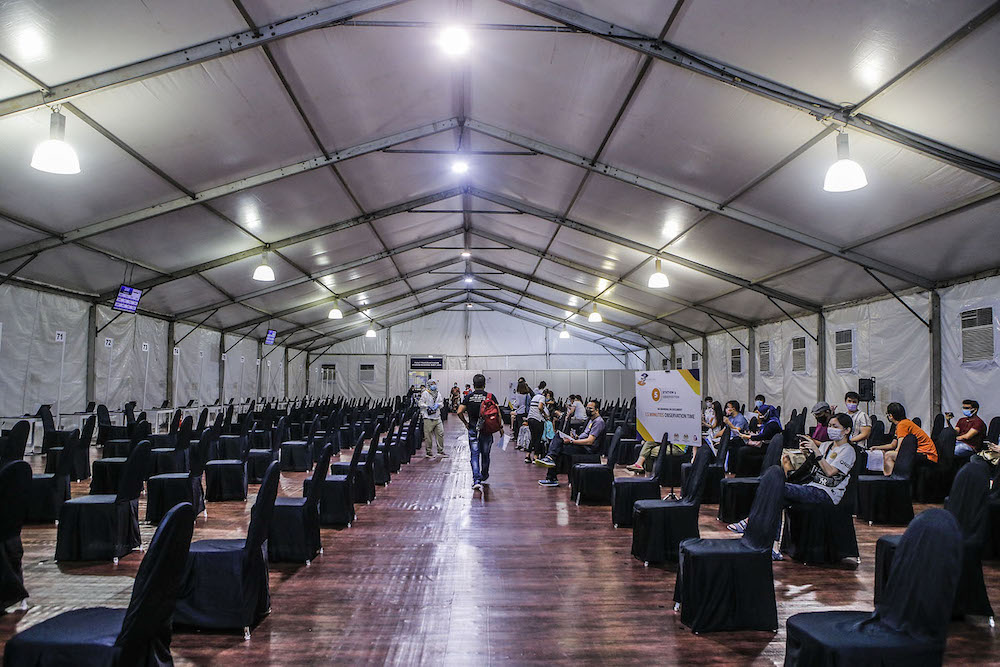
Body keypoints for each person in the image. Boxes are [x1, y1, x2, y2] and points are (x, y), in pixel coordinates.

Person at [728, 413, 857, 561]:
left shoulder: (848, 451)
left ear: (846, 430)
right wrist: (807, 453)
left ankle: (751, 522)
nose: (831, 429)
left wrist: (816, 451)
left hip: (827, 494)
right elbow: (815, 467)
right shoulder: (827, 445)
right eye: (830, 426)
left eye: (836, 427)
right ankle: (774, 546)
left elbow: (830, 472)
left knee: (777, 488)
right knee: (777, 496)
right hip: (812, 487)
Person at [535, 401, 606, 487]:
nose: (588, 410)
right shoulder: (591, 420)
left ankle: (551, 472)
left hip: (588, 449)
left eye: (590, 408)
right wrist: (576, 437)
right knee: (558, 436)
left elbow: (590, 441)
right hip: (583, 445)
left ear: (597, 410)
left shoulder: (598, 422)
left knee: (560, 448)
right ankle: (550, 464)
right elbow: (586, 435)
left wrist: (572, 441)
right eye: (587, 408)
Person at [456, 374, 503, 491]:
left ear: (473, 384)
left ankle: (476, 480)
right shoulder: (490, 396)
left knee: (474, 454)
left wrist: (465, 423)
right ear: (484, 384)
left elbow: (459, 411)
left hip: (473, 429)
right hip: (487, 430)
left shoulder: (469, 397)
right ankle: (484, 474)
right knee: (486, 454)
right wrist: (500, 428)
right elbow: (498, 413)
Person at [872, 402, 937, 475]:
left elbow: (900, 449)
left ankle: (890, 481)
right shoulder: (904, 423)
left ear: (890, 416)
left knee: (889, 455)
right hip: (924, 455)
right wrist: (877, 448)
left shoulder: (902, 425)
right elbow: (893, 445)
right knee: (886, 453)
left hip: (927, 456)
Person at [419, 380, 446, 458]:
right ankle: (429, 452)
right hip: (428, 417)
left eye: (434, 384)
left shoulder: (438, 393)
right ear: (428, 385)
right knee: (428, 436)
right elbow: (420, 403)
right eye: (432, 384)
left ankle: (440, 451)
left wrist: (438, 405)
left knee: (440, 433)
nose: (433, 386)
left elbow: (441, 403)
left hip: (437, 417)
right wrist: (427, 406)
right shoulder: (425, 393)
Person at [524, 386, 547, 464]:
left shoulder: (534, 397)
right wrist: (545, 414)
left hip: (530, 419)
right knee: (538, 438)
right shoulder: (542, 397)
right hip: (537, 419)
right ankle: (535, 457)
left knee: (532, 437)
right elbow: (540, 407)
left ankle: (527, 456)